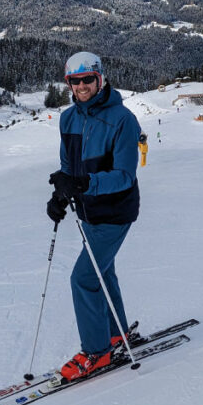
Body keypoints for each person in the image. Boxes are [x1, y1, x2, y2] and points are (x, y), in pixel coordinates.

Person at [46, 52, 142, 382]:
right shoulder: (68, 119)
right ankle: (116, 335)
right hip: (87, 211)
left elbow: (125, 175)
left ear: (100, 79)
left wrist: (85, 183)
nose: (83, 86)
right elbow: (70, 167)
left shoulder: (122, 120)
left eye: (89, 79)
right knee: (103, 274)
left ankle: (97, 351)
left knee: (84, 279)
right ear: (68, 83)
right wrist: (61, 193)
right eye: (76, 81)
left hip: (115, 213)